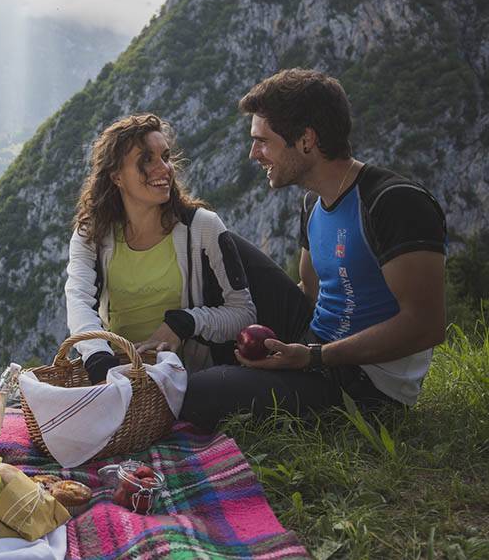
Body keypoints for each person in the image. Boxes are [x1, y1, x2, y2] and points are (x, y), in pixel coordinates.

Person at [180, 69, 447, 430]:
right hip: (315, 342)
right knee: (211, 236)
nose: (253, 153)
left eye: (262, 141)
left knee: (196, 393)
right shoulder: (314, 203)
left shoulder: (392, 202)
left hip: (364, 385)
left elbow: (426, 326)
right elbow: (310, 291)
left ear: (306, 140)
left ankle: (213, 377)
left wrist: (311, 358)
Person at [64, 113, 257, 384]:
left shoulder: (202, 227)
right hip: (119, 374)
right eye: (146, 160)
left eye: (165, 157)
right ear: (116, 176)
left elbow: (244, 313)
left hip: (187, 379)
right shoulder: (92, 235)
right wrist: (99, 360)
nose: (164, 169)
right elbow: (78, 301)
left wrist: (184, 323)